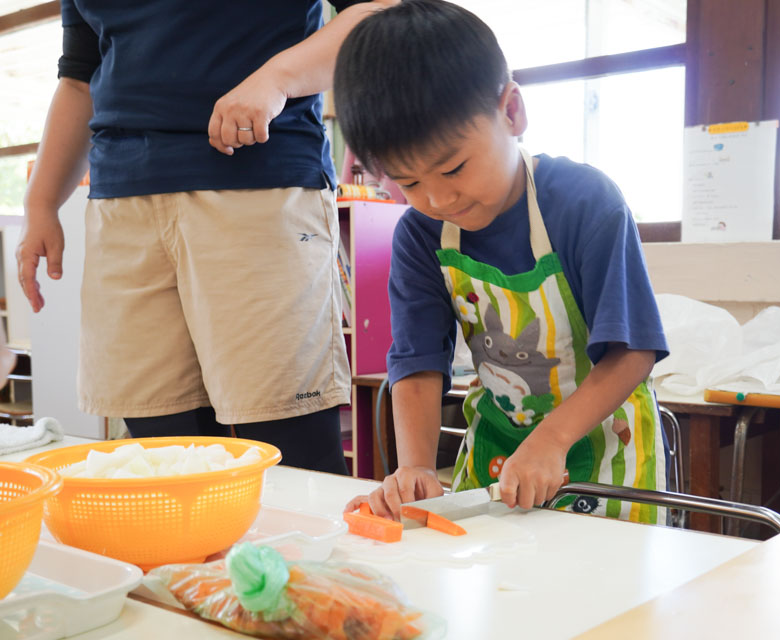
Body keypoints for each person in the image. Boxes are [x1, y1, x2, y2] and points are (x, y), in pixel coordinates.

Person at [17, 0, 396, 473]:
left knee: (288, 444)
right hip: (121, 202)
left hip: (257, 184)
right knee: (158, 450)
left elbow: (382, 14)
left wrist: (277, 78)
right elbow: (79, 75)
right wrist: (41, 204)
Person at [337, 0, 670, 521]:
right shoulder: (421, 236)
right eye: (410, 183)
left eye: (453, 168)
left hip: (608, 458)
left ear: (511, 112)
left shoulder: (584, 204)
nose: (438, 199)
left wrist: (553, 438)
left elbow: (632, 352)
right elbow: (419, 363)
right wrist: (416, 468)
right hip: (496, 462)